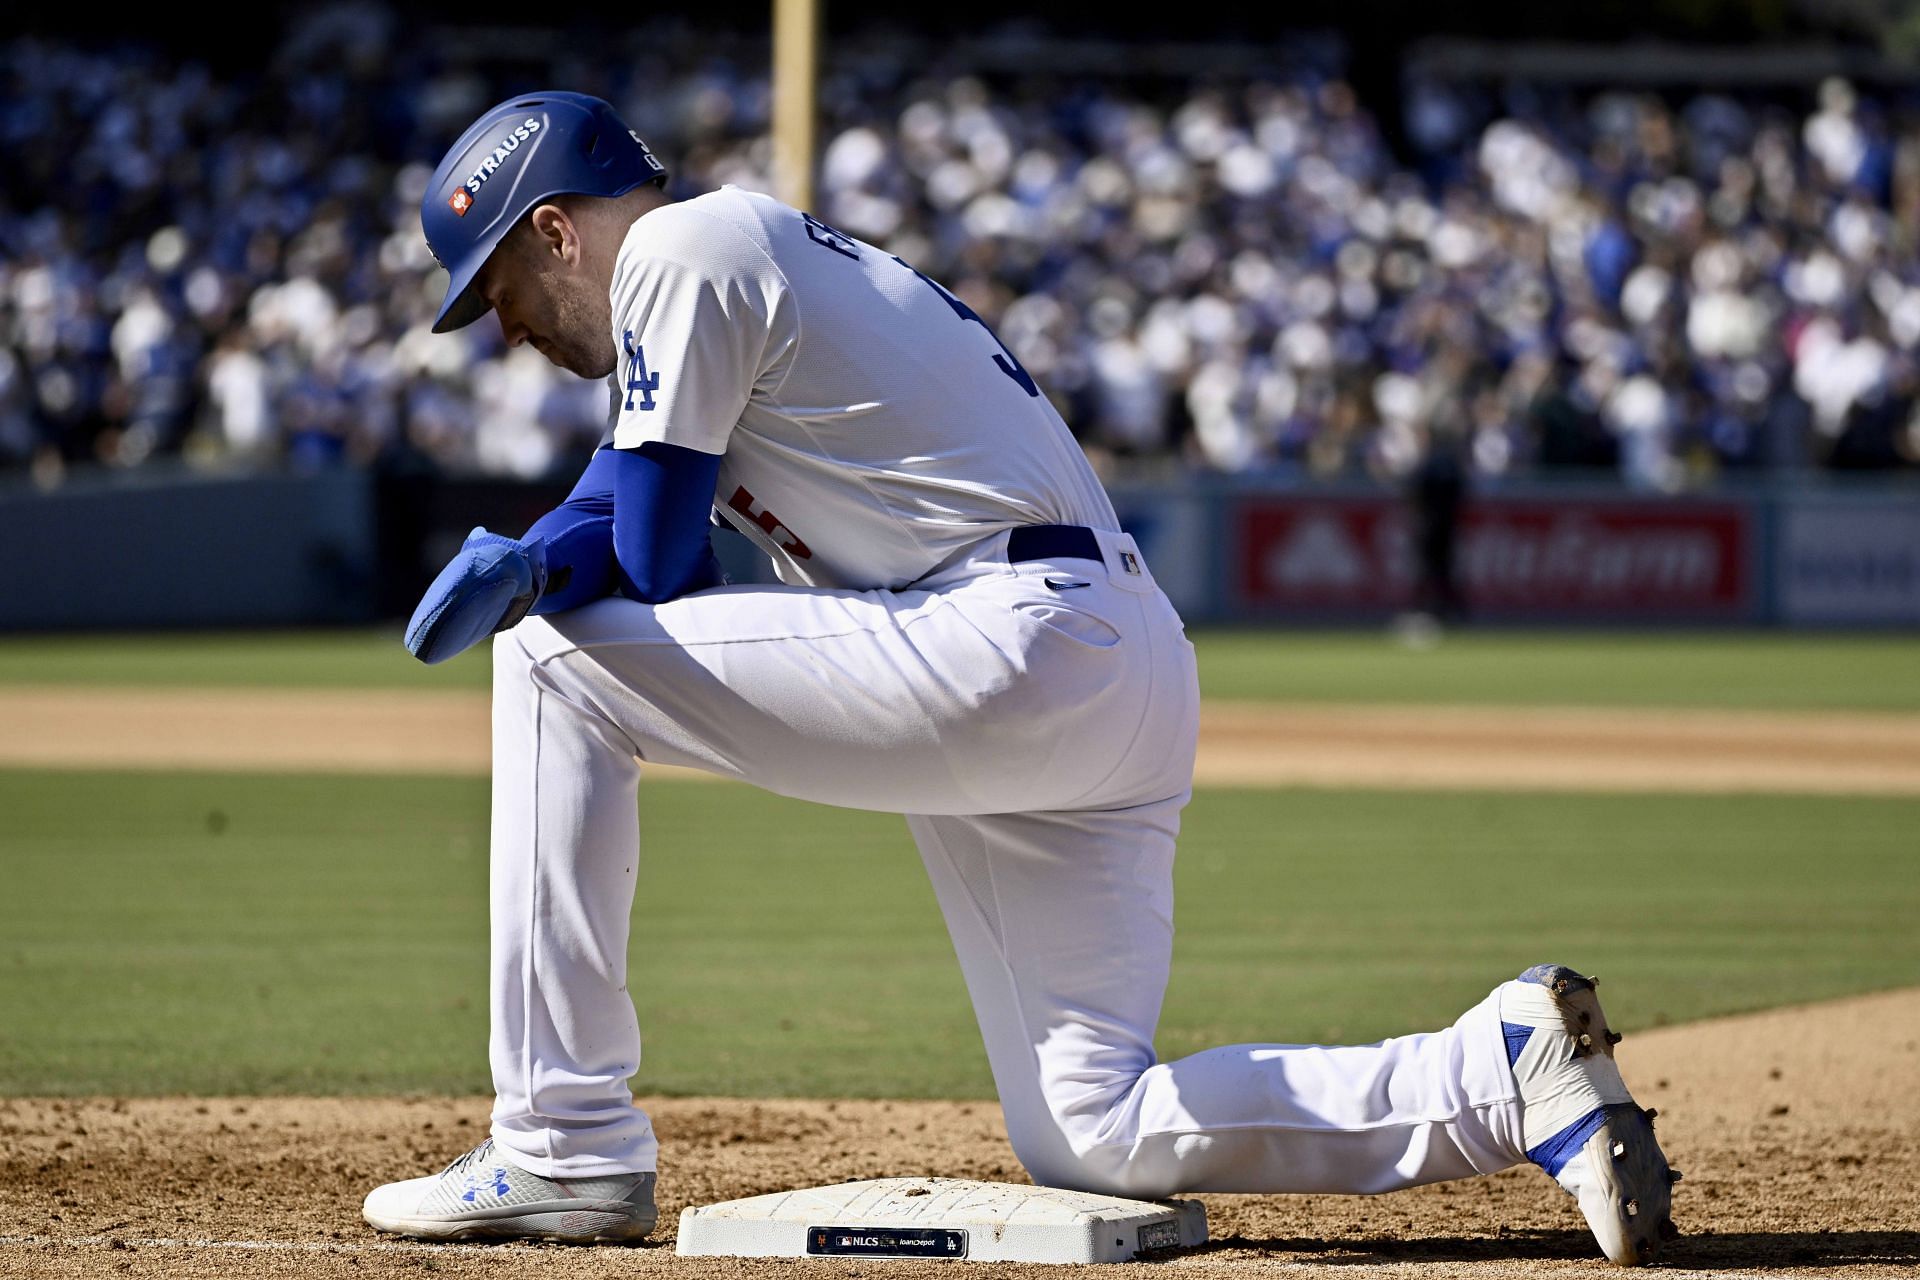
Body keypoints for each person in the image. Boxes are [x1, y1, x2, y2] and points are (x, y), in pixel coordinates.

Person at [360, 91, 1679, 1266]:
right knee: (1093, 1132)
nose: (509, 331)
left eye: (499, 293)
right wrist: (543, 550)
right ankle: (1509, 1072)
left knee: (550, 665)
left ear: (552, 232)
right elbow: (619, 500)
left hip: (1006, 636)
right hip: (1106, 662)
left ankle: (563, 1140)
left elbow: (647, 553)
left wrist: (541, 576)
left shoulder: (677, 250)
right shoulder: (731, 255)